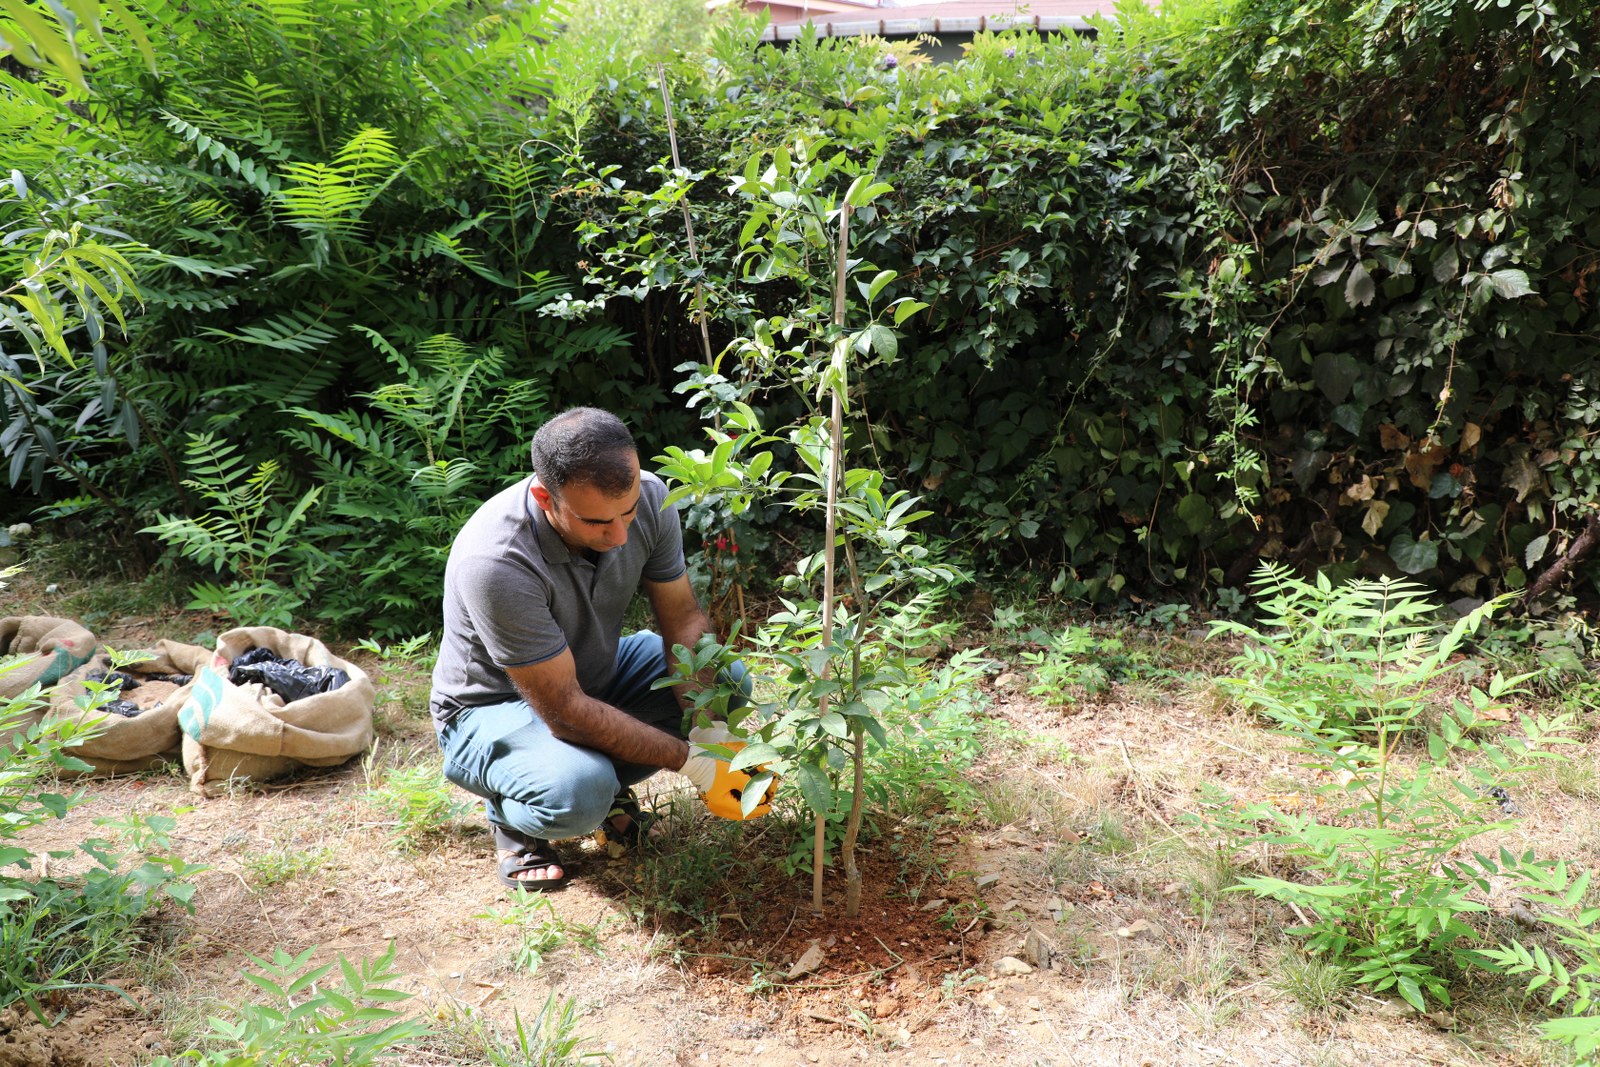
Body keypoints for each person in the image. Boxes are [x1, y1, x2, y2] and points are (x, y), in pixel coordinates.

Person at [430, 408, 769, 892]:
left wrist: (707, 725)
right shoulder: (496, 560)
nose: (620, 536)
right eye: (596, 522)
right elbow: (565, 711)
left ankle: (603, 783)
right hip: (492, 706)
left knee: (728, 680)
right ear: (546, 497)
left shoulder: (651, 495)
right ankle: (515, 814)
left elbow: (681, 618)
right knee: (576, 793)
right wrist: (694, 762)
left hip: (591, 675)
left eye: (627, 513)